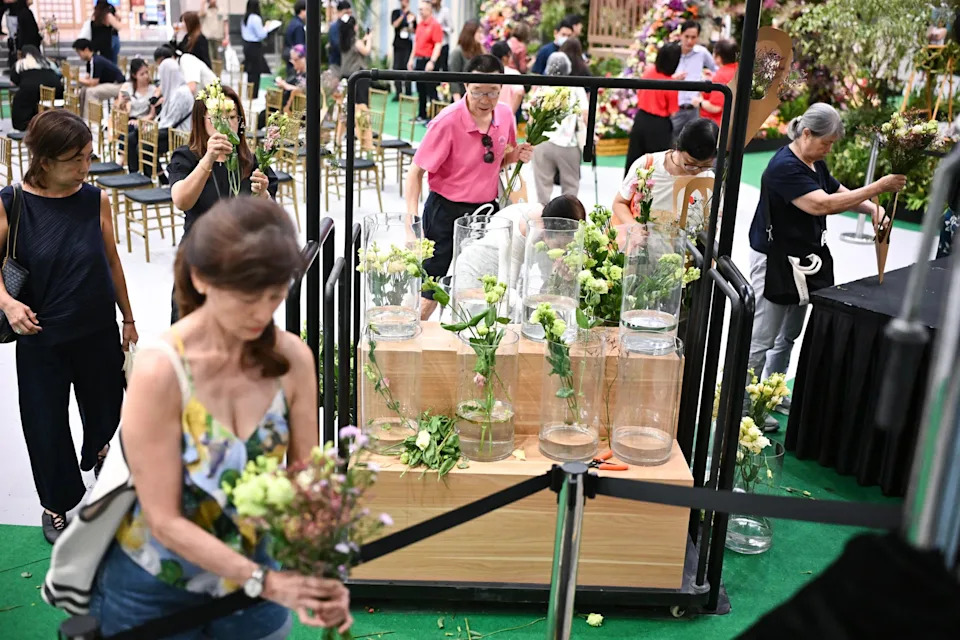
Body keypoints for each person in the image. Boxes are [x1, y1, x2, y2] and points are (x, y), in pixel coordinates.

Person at [88, 197, 352, 638]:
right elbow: (163, 519)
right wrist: (266, 582)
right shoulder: (161, 368)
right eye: (247, 297)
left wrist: (321, 567)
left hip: (255, 584)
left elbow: (304, 478)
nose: (262, 313)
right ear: (201, 278)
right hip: (156, 589)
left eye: (275, 295)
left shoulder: (293, 359)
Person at [0, 110, 137, 543]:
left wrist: (128, 318)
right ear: (44, 161)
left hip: (96, 328)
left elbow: (111, 260)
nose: (85, 167)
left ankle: (98, 453)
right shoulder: (12, 203)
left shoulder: (96, 199)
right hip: (41, 334)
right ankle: (55, 502)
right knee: (45, 422)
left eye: (88, 157)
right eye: (75, 159)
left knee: (106, 407)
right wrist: (7, 304)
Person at [746, 103, 906, 431]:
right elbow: (823, 204)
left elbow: (834, 189)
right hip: (775, 261)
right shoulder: (783, 167)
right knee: (762, 338)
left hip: (804, 262)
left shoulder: (813, 162)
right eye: (826, 142)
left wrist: (872, 210)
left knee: (788, 335)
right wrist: (877, 189)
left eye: (832, 144)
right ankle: (743, 406)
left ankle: (772, 392)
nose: (828, 148)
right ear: (806, 133)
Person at [405, 53, 533, 319]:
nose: (485, 101)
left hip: (486, 212)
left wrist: (515, 155)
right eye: (478, 92)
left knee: (482, 282)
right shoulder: (447, 121)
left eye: (493, 93)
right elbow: (415, 171)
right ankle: (416, 333)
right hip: (445, 211)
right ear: (465, 86)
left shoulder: (506, 115)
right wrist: (411, 222)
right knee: (430, 287)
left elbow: (498, 160)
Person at [167, 83, 277, 322]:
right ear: (201, 120)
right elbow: (181, 200)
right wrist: (208, 158)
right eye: (217, 118)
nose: (226, 124)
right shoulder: (186, 157)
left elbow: (272, 218)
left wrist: (263, 196)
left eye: (232, 117)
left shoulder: (252, 161)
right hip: (198, 262)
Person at [615, 118, 718, 232]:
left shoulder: (708, 180)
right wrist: (634, 227)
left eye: (705, 165)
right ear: (678, 148)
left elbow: (708, 227)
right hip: (641, 246)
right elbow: (619, 203)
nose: (696, 171)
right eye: (690, 163)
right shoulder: (647, 166)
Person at [124, 52, 194, 175]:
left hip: (178, 135)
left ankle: (160, 179)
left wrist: (149, 129)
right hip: (169, 131)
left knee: (144, 145)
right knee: (132, 137)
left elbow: (171, 122)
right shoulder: (173, 90)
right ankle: (134, 174)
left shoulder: (181, 93)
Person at [532, 52, 588, 205]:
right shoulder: (576, 88)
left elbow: (532, 112)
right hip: (568, 144)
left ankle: (542, 216)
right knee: (570, 186)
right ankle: (567, 217)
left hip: (542, 142)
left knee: (542, 186)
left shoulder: (543, 87)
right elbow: (585, 114)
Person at [624, 41, 680, 175]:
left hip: (641, 119)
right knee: (657, 166)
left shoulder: (649, 71)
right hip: (659, 126)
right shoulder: (672, 85)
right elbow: (673, 112)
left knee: (634, 161)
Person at [671, 20, 717, 141]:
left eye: (693, 37)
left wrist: (711, 76)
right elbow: (660, 75)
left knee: (691, 145)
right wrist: (673, 79)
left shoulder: (702, 53)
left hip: (693, 109)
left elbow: (716, 69)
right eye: (686, 36)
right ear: (680, 35)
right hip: (674, 109)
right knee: (668, 143)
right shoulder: (672, 52)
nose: (689, 41)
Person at [10, 45, 62, 131]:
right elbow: (58, 74)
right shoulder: (47, 62)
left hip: (30, 90)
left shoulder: (21, 63)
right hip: (55, 89)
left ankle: (25, 125)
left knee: (19, 100)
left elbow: (14, 80)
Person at [409, 0, 443, 123]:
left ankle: (434, 117)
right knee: (420, 89)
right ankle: (421, 114)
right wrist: (411, 59)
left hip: (429, 60)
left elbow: (438, 45)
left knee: (431, 90)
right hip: (419, 60)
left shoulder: (435, 25)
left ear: (429, 10)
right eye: (419, 10)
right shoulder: (420, 25)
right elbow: (416, 43)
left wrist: (432, 62)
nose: (420, 12)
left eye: (422, 9)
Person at [73, 38, 125, 120]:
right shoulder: (90, 62)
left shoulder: (96, 61)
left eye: (79, 53)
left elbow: (92, 83)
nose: (79, 56)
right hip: (108, 84)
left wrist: (75, 77)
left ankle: (92, 121)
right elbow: (88, 79)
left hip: (118, 86)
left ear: (86, 50)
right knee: (83, 90)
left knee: (91, 92)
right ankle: (82, 117)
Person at [694, 38, 737, 126]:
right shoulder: (737, 70)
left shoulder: (721, 75)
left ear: (718, 57)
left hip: (717, 126)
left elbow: (716, 107)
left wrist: (699, 102)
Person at [241, 0, 270, 100]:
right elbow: (261, 34)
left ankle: (249, 92)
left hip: (246, 45)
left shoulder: (245, 17)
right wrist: (266, 28)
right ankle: (254, 94)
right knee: (256, 70)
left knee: (250, 70)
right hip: (254, 46)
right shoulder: (256, 18)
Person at [339, 16, 371, 106]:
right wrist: (369, 39)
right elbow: (366, 51)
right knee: (361, 104)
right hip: (358, 76)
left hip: (345, 75)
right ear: (353, 27)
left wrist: (363, 40)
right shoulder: (356, 42)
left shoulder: (343, 42)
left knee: (348, 104)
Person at [449, 19, 483, 101]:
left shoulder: (480, 51)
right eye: (478, 32)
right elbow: (453, 78)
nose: (481, 35)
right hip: (462, 97)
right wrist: (458, 101)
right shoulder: (457, 52)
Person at [115, 58, 158, 124]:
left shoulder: (153, 90)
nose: (146, 76)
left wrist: (138, 122)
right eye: (142, 74)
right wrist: (122, 104)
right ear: (134, 75)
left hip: (144, 123)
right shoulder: (126, 87)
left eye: (147, 72)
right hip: (128, 121)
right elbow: (123, 110)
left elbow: (152, 115)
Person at [391, 0, 416, 99]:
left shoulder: (412, 15)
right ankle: (398, 93)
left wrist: (409, 26)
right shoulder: (396, 13)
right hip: (398, 45)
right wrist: (403, 15)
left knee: (407, 68)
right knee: (396, 68)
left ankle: (408, 92)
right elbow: (395, 24)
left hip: (407, 45)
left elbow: (415, 30)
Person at [491, 41, 523, 113]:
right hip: (506, 118)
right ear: (505, 57)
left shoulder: (488, 73)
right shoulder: (513, 73)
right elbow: (519, 93)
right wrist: (511, 113)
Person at [275, 43, 306, 113]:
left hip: (294, 111)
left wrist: (286, 85)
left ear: (304, 58)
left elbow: (304, 91)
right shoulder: (294, 72)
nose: (293, 63)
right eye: (292, 60)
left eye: (295, 60)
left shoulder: (310, 75)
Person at [89, 0, 121, 64]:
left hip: (97, 43)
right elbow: (118, 27)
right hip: (107, 42)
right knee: (112, 62)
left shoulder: (94, 16)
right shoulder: (107, 16)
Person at [199, 0, 230, 64]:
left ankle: (218, 73)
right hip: (207, 38)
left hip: (218, 38)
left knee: (219, 58)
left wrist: (226, 37)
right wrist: (203, 3)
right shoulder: (205, 10)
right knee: (209, 57)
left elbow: (225, 24)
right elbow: (201, 14)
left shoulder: (221, 10)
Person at [283, 0, 306, 74]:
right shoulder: (299, 26)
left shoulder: (292, 22)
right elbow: (299, 47)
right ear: (302, 11)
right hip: (296, 59)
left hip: (289, 54)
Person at [431, 0, 454, 72]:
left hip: (443, 44)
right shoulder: (431, 12)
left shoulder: (445, 11)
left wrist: (441, 29)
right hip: (433, 45)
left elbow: (451, 28)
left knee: (443, 67)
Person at [328, 0, 351, 69]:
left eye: (350, 13)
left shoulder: (349, 26)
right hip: (337, 64)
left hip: (348, 64)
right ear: (339, 12)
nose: (348, 15)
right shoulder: (335, 27)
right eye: (346, 13)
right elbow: (337, 44)